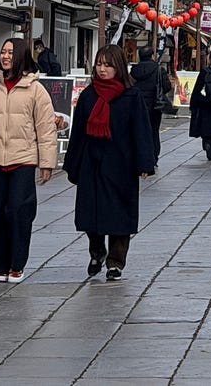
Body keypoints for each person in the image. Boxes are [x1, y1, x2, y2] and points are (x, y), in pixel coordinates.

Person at [0, 38, 62, 283]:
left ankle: (17, 263)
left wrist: (47, 163)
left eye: (10, 52)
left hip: (23, 159)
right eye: (3, 52)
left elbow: (46, 128)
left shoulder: (35, 89)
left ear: (22, 56)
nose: (5, 56)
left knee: (18, 212)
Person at [62, 45, 155, 282]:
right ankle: (97, 252)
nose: (102, 69)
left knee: (119, 216)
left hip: (121, 164)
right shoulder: (88, 95)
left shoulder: (132, 96)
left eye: (108, 65)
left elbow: (142, 131)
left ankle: (116, 262)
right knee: (89, 215)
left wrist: (144, 163)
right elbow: (78, 133)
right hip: (92, 162)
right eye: (99, 64)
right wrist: (72, 163)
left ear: (119, 67)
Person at [128, 47, 171, 168]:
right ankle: (153, 158)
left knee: (138, 131)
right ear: (152, 56)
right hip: (154, 105)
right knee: (153, 131)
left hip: (136, 105)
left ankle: (139, 156)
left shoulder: (134, 71)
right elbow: (167, 86)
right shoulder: (158, 69)